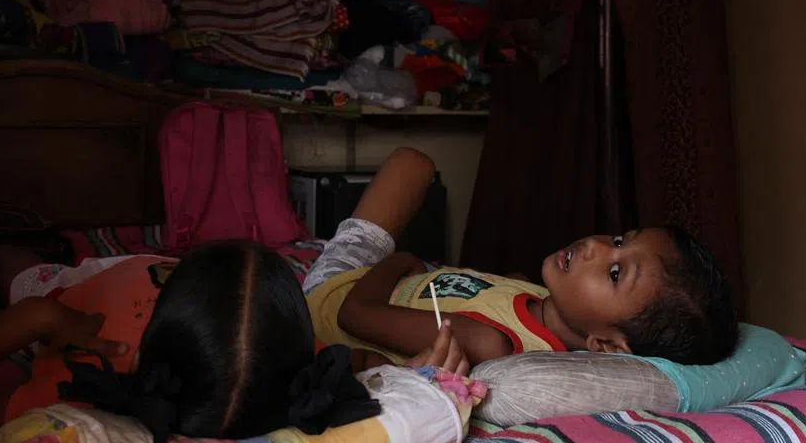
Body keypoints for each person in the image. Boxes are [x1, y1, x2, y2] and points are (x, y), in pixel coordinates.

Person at [0, 192, 469, 443]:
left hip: (82, 290)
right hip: (166, 279)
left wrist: (37, 319)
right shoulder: (286, 368)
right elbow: (359, 368)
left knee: (13, 273)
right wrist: (412, 377)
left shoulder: (88, 367)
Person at [305, 148, 739, 368]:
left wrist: (404, 260)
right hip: (379, 283)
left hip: (330, 294)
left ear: (605, 345)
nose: (597, 245)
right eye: (622, 240)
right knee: (415, 166)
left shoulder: (489, 344)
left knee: (409, 164)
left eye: (613, 271)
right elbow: (501, 290)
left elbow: (354, 315)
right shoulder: (548, 307)